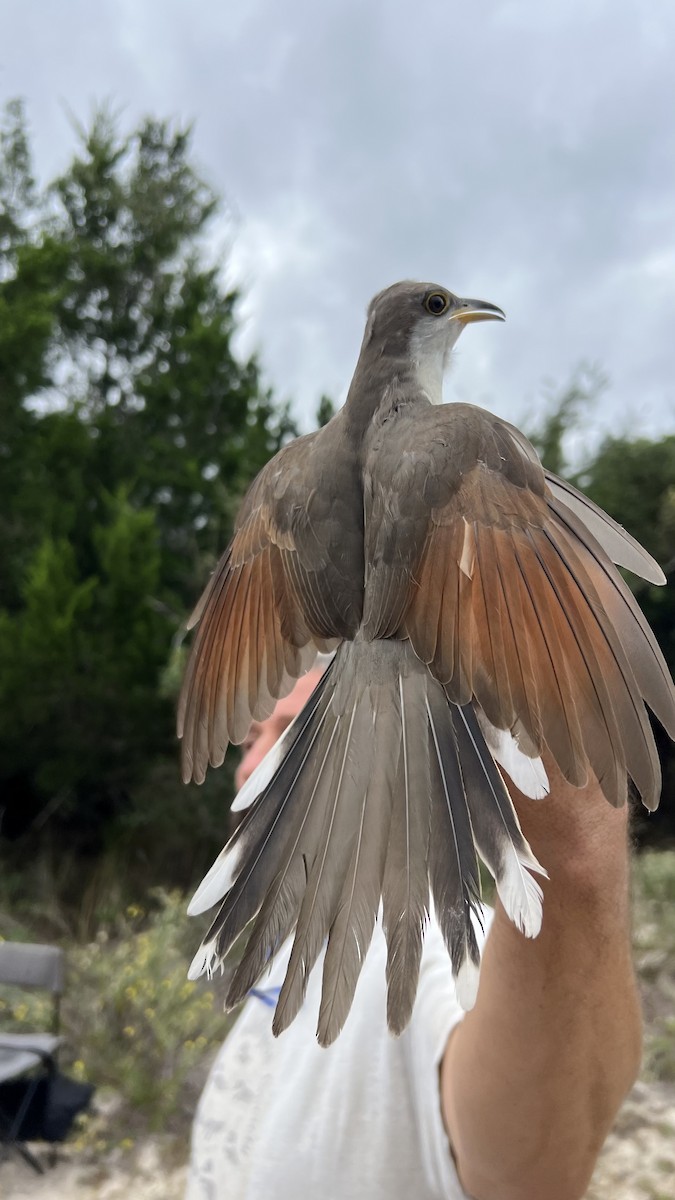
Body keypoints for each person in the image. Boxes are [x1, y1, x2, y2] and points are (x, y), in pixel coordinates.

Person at [185, 662, 641, 1200]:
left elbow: (528, 1176)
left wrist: (569, 842)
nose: (251, 765)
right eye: (250, 741)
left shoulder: (431, 942)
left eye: (288, 734)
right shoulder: (282, 954)